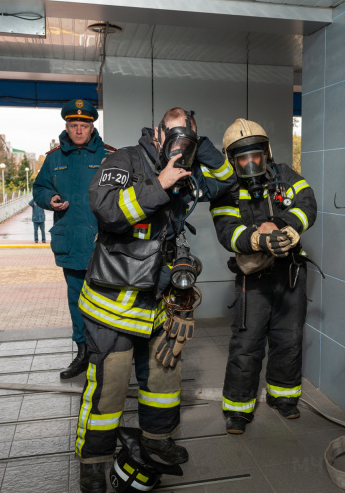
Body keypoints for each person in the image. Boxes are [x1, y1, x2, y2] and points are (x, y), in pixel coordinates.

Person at [74, 108, 235, 493]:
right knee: (110, 385)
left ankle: (157, 439)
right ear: (158, 134)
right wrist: (159, 184)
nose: (180, 147)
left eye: (187, 140)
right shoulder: (125, 159)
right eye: (175, 137)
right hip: (113, 301)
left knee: (164, 376)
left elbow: (226, 182)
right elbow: (107, 210)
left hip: (160, 299)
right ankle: (94, 461)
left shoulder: (189, 165)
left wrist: (201, 144)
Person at [207, 119, 317, 435]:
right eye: (242, 158)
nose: (251, 162)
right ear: (231, 159)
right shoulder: (225, 187)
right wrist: (257, 238)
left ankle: (283, 398)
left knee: (289, 337)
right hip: (253, 276)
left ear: (265, 151)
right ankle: (238, 410)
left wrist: (283, 227)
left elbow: (307, 204)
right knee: (248, 340)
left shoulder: (286, 176)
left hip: (291, 272)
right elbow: (227, 231)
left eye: (255, 154)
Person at [32, 99, 115, 379]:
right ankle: (83, 354)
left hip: (104, 245)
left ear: (93, 127)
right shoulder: (54, 159)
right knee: (76, 301)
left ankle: (106, 354)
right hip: (71, 243)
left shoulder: (109, 156)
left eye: (84, 125)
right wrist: (49, 199)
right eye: (73, 125)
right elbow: (40, 187)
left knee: (108, 300)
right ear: (66, 127)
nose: (79, 131)